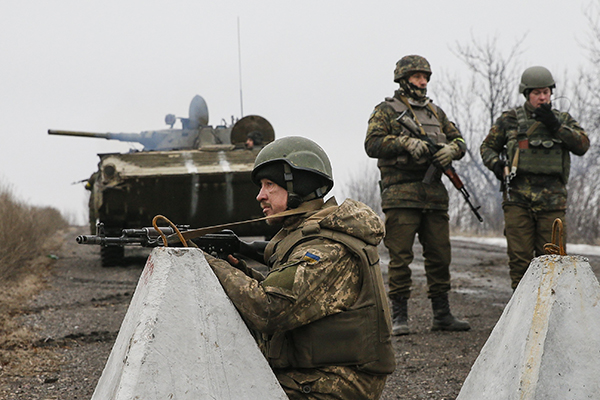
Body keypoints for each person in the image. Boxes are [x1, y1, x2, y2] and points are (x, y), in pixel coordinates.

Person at [206, 136, 396, 399]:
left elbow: (269, 309)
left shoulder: (326, 248)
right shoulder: (309, 235)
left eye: (269, 184)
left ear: (300, 186)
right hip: (314, 374)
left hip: (334, 383)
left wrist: (208, 263)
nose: (260, 195)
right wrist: (238, 269)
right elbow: (281, 293)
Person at [365, 55, 470, 336]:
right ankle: (399, 316)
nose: (422, 81)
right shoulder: (386, 110)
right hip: (400, 195)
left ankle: (442, 314)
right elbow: (372, 143)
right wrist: (405, 142)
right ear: (403, 79)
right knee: (400, 258)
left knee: (440, 256)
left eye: (425, 77)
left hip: (434, 195)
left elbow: (459, 139)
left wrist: (453, 149)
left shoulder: (436, 112)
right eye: (416, 76)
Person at [480, 66, 589, 290]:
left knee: (554, 260)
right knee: (519, 260)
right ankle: (521, 317)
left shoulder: (562, 119)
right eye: (537, 93)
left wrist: (555, 126)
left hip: (552, 201)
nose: (542, 97)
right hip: (518, 199)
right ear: (527, 94)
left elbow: (582, 145)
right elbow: (487, 148)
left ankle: (550, 315)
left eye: (546, 92)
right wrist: (498, 165)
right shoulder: (510, 120)